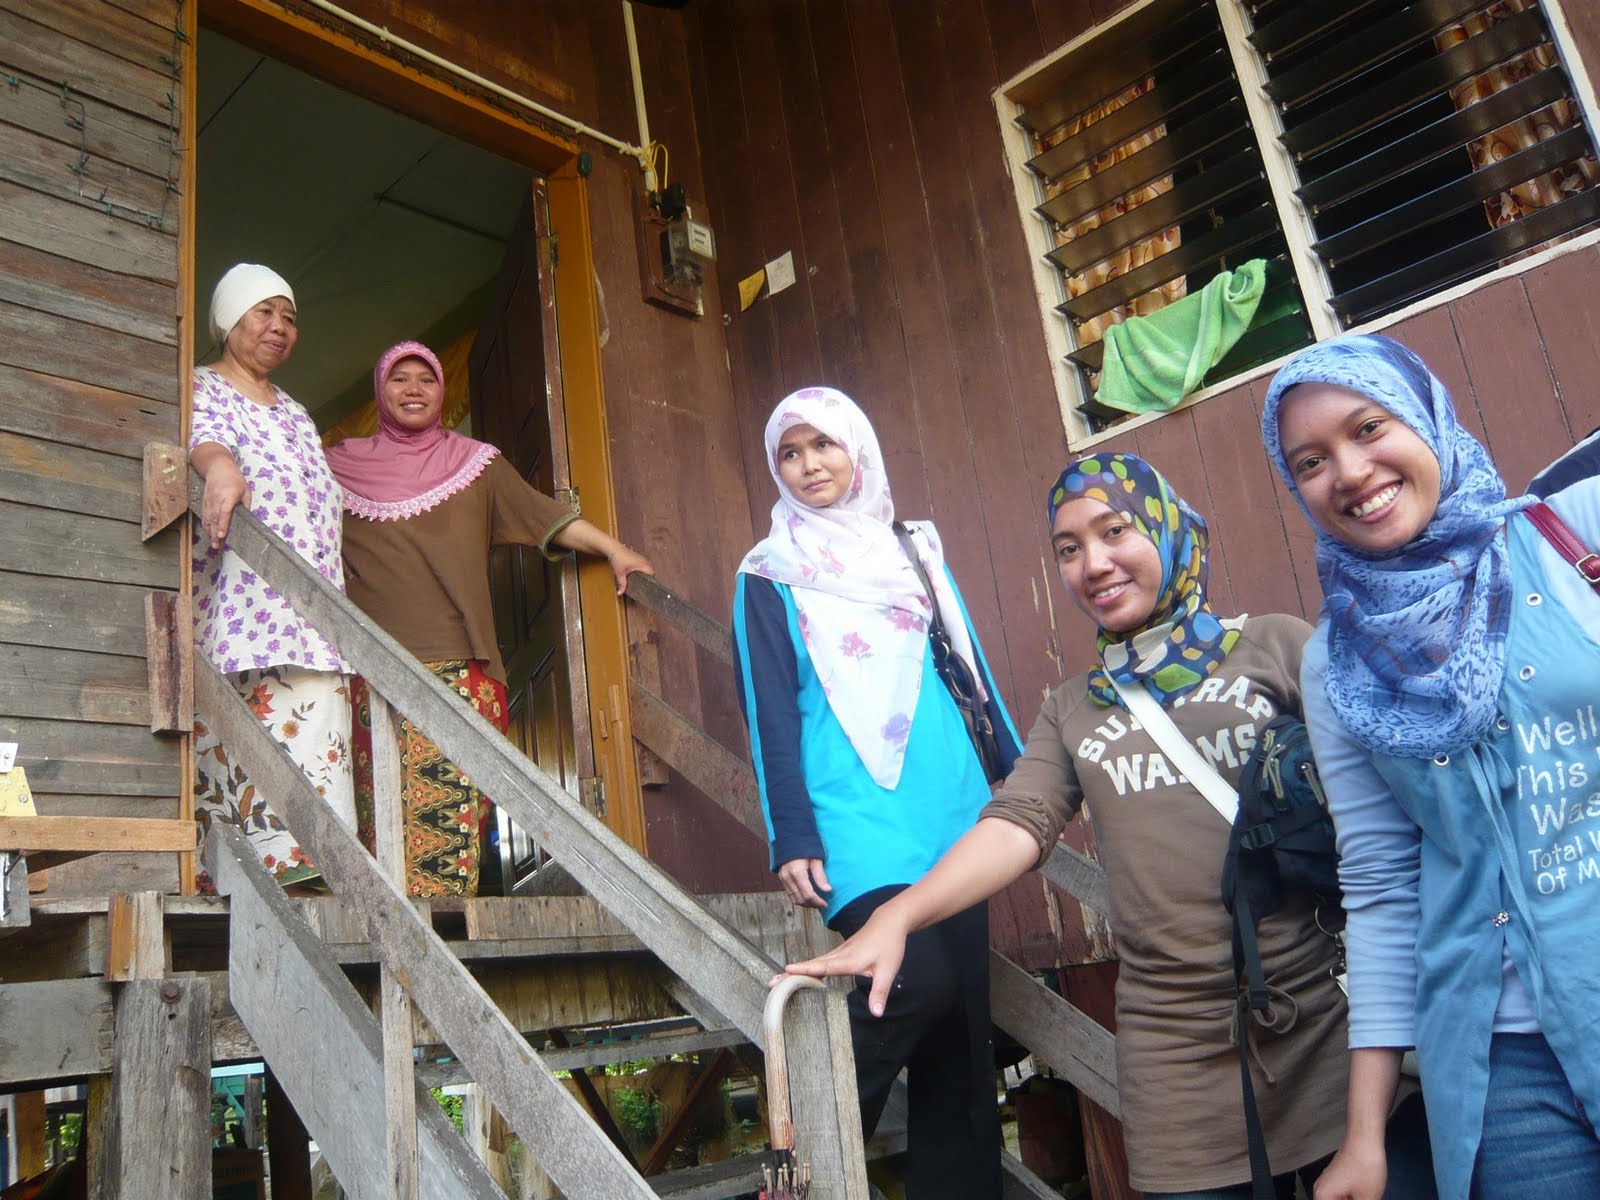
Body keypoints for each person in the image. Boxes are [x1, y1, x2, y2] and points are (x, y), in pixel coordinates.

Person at [783, 452, 1375, 1199]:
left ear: (1166, 529)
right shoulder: (1073, 708)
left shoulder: (1277, 646)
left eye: (1115, 531)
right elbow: (1017, 823)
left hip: (1327, 1021)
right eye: (1068, 549)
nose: (1093, 564)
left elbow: (1383, 809)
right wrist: (899, 915)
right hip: (1176, 1051)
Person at [1260, 334, 1600, 1200]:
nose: (1349, 471)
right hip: (1504, 1072)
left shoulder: (1574, 534)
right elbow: (1382, 886)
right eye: (1309, 462)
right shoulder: (1335, 663)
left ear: (1427, 416)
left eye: (1369, 427)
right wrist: (1364, 1137)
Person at [732, 386, 1022, 1200]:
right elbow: (767, 708)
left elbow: (965, 661)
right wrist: (792, 831)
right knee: (917, 983)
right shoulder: (766, 572)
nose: (809, 464)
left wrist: (1017, 776)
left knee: (963, 1032)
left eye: (824, 444)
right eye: (790, 453)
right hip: (850, 807)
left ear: (856, 448)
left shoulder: (912, 549)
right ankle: (801, 1166)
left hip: (949, 796)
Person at [325, 340, 653, 896]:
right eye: (399, 379)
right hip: (367, 672)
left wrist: (615, 549)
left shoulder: (476, 465)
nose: (413, 390)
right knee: (377, 814)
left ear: (442, 392)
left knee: (449, 824)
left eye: (426, 379)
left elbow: (546, 517)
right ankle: (386, 932)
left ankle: (444, 940)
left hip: (462, 666)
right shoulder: (335, 467)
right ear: (379, 390)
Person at [190, 262, 355, 890]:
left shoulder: (296, 411)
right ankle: (247, 873)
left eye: (289, 317)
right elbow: (203, 441)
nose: (280, 327)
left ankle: (315, 868)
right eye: (264, 312)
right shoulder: (202, 385)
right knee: (248, 733)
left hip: (314, 608)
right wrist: (221, 468)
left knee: (316, 720)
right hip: (245, 606)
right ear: (229, 320)